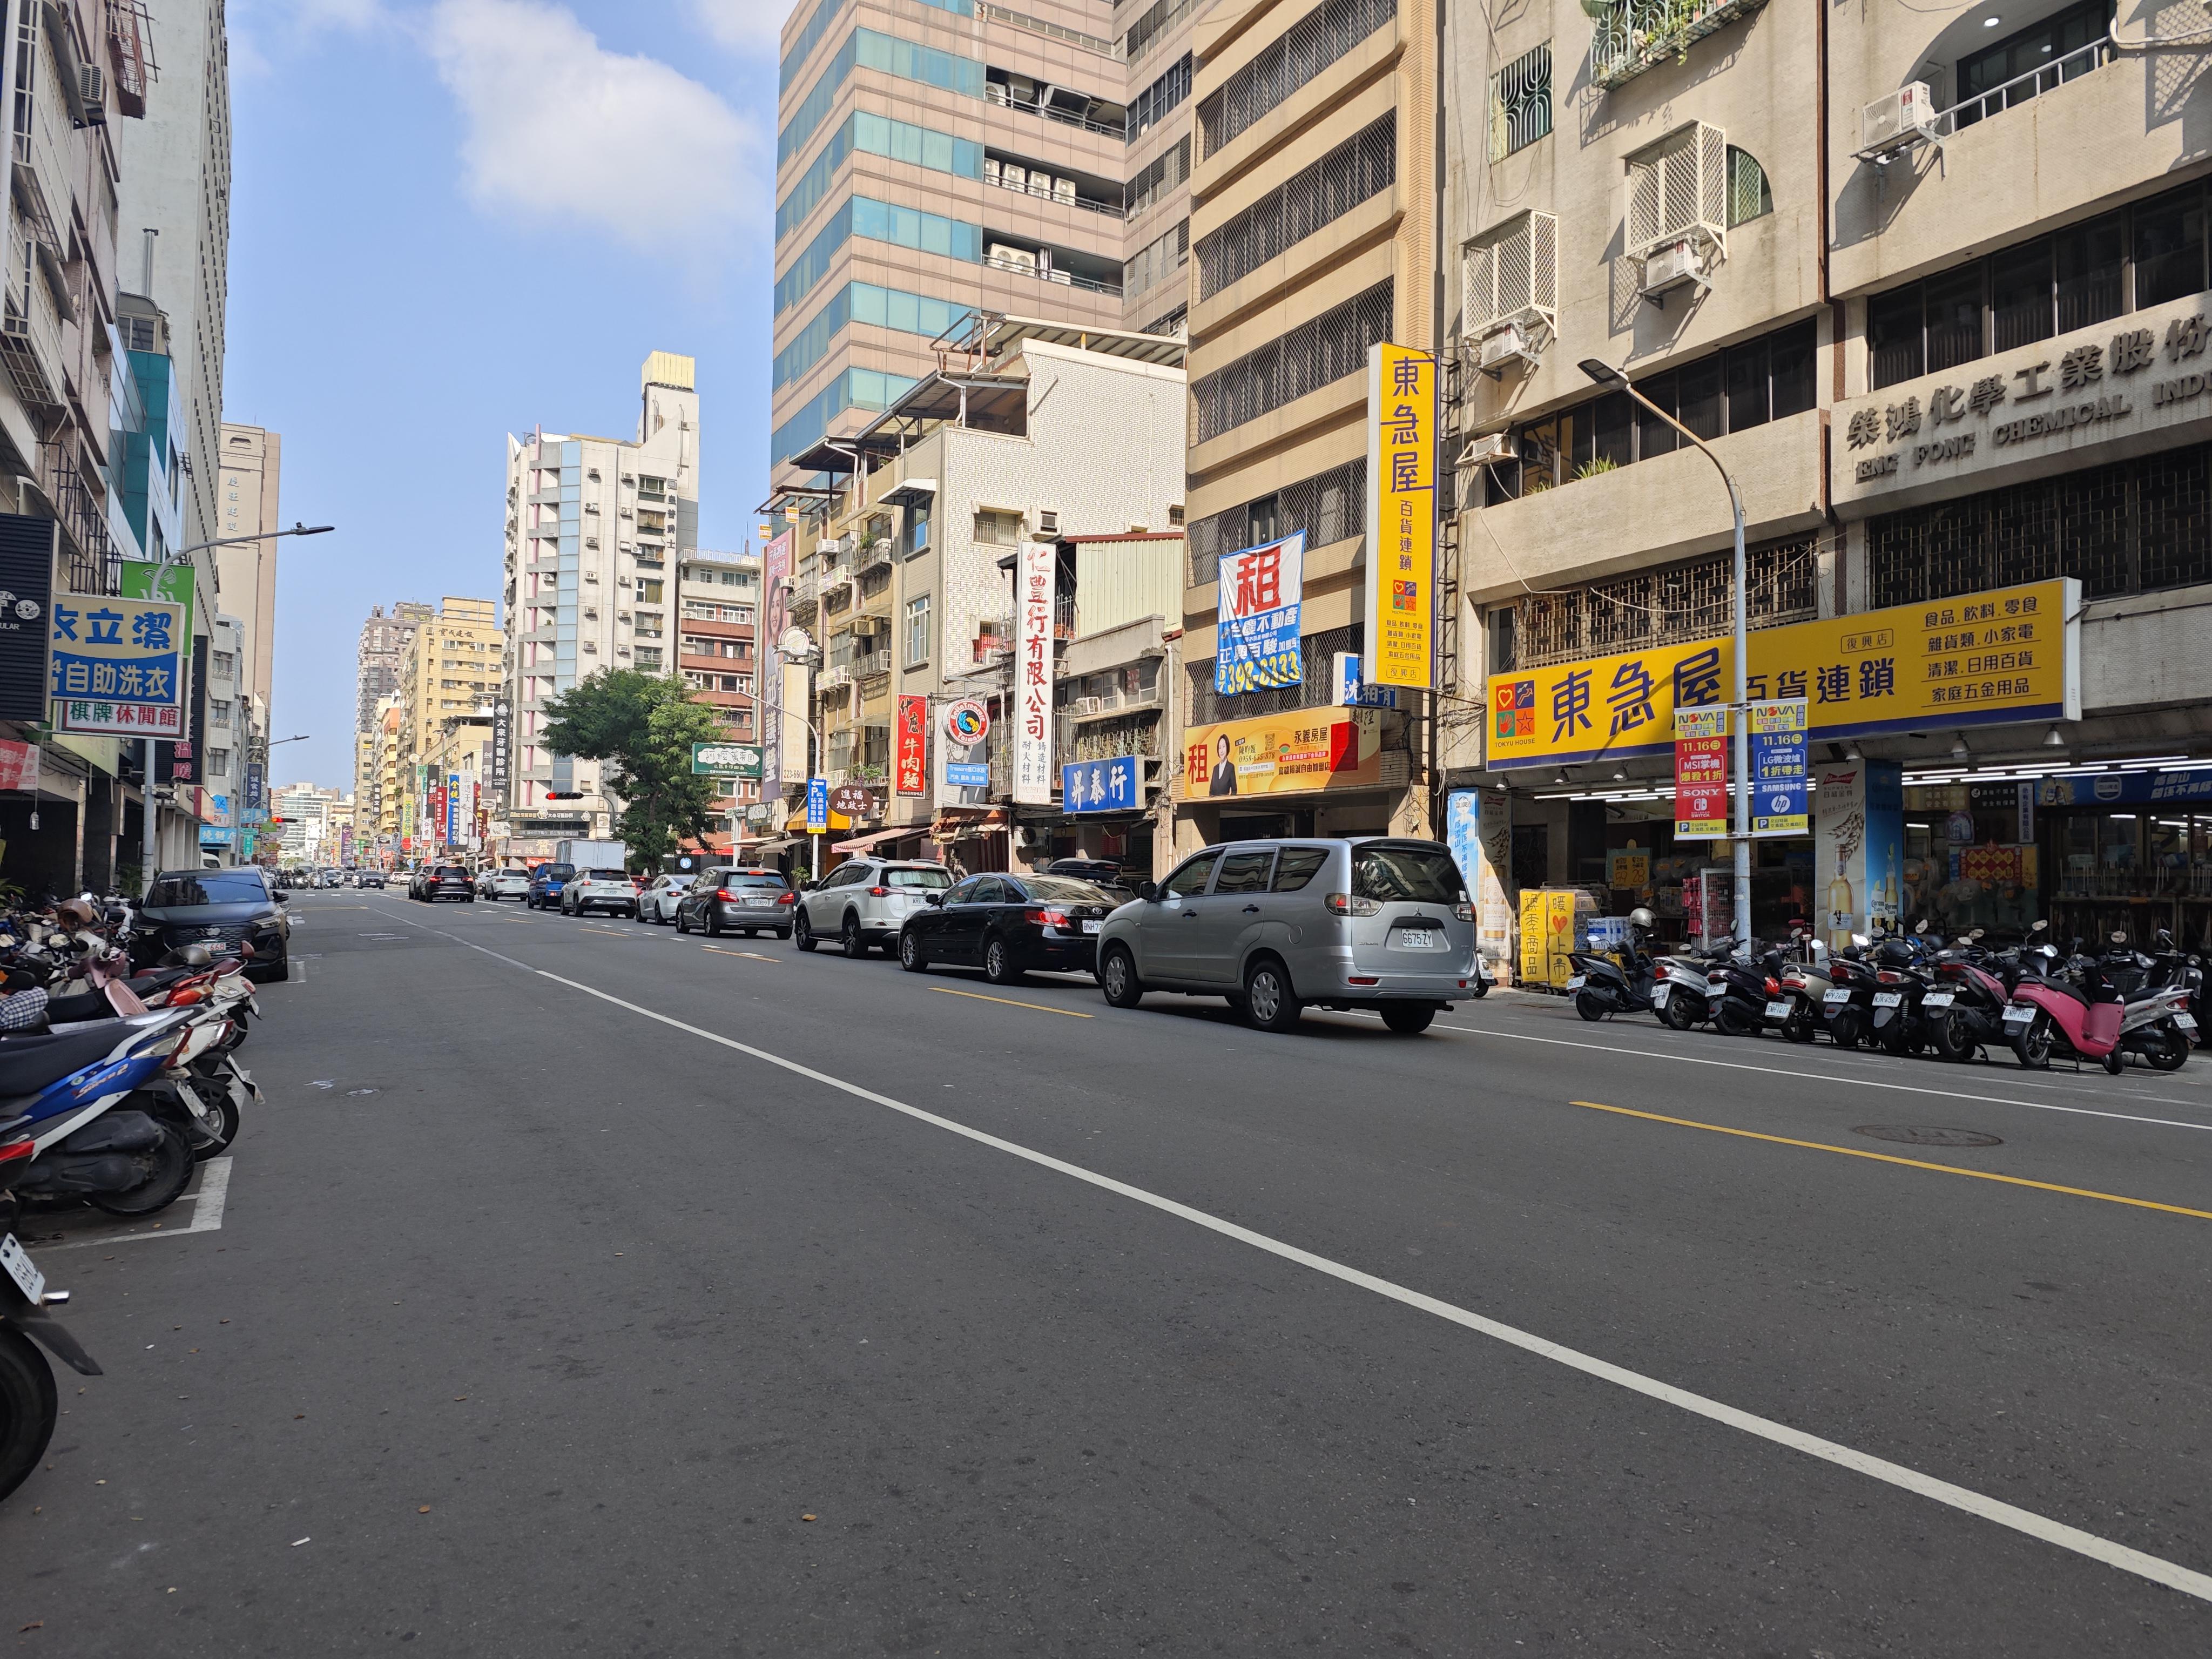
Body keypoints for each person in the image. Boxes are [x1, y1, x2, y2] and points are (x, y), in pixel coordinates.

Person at [1208, 732, 1239, 797]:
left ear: (1227, 747)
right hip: (1214, 802)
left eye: (1224, 747)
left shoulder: (1231, 767)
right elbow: (1211, 791)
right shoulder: (1215, 768)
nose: (1221, 751)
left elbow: (1234, 790)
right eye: (1220, 748)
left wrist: (1228, 800)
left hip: (1225, 802)